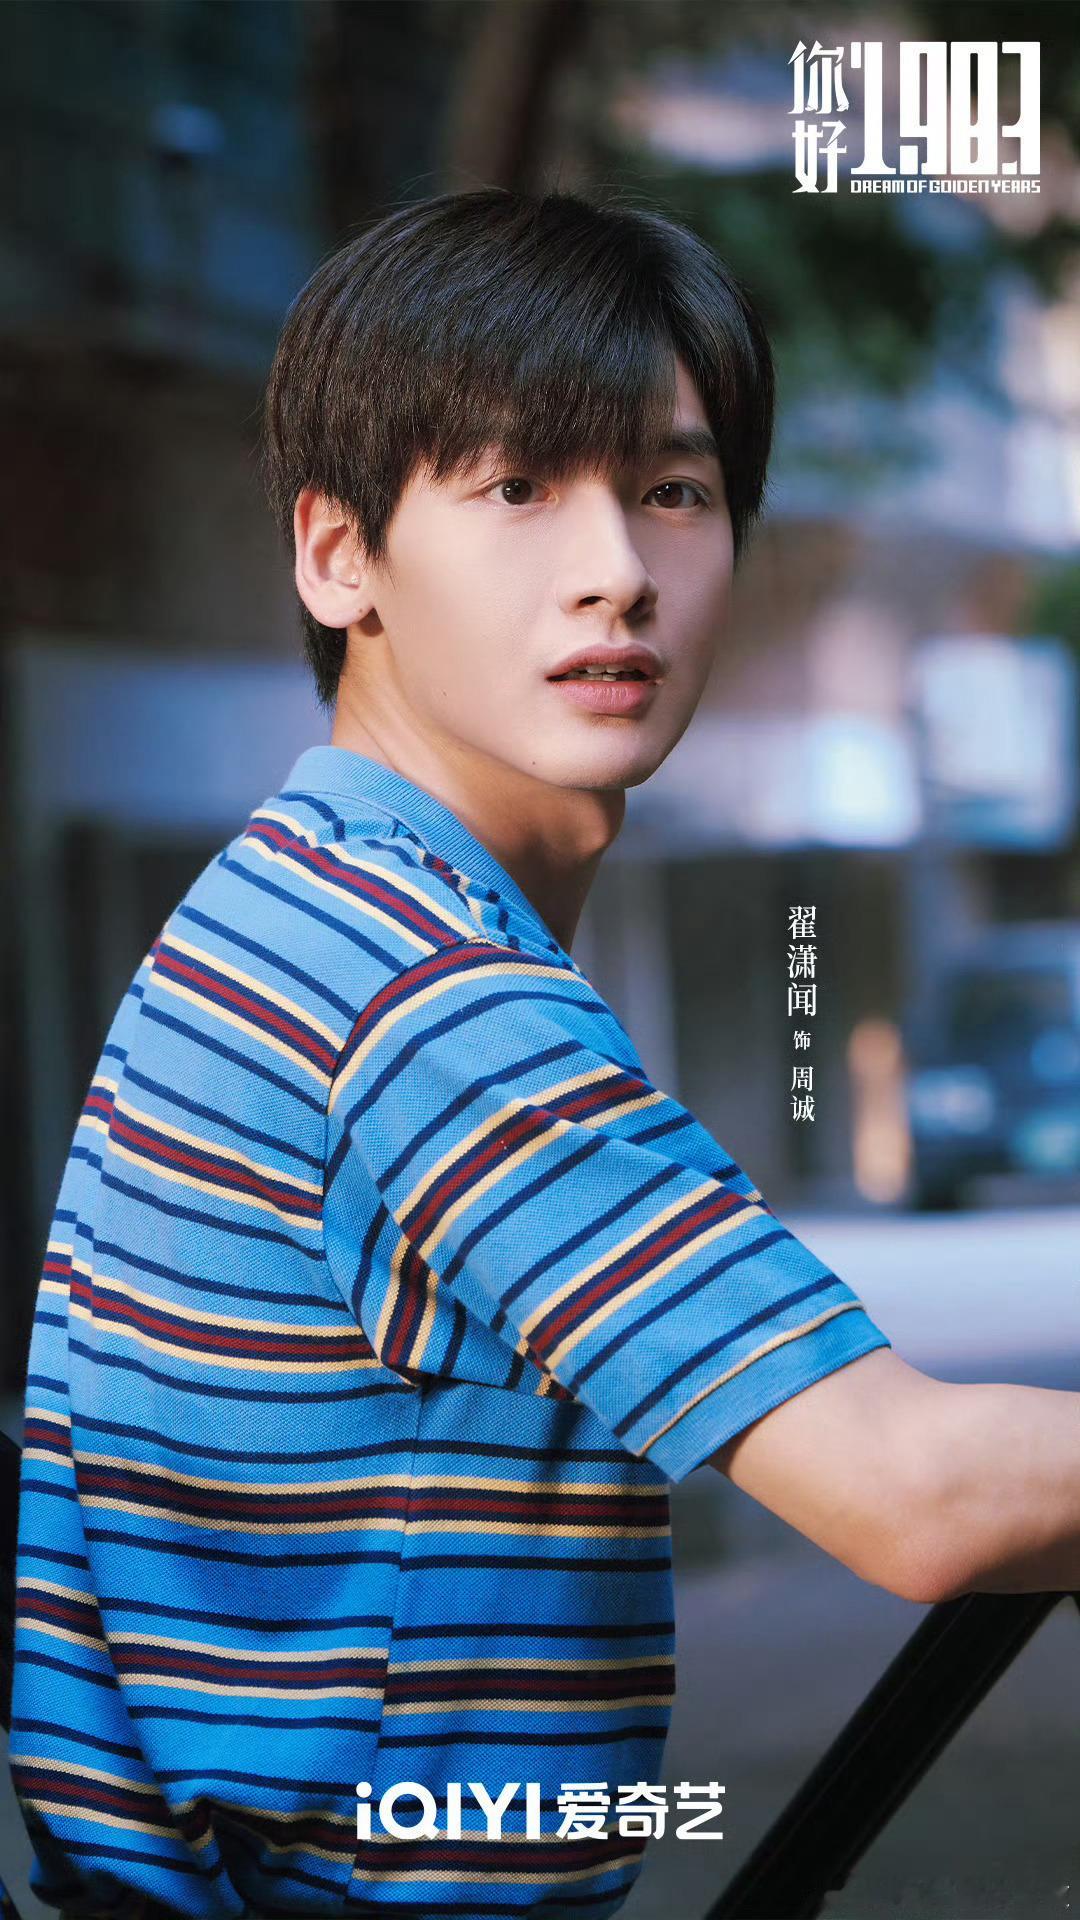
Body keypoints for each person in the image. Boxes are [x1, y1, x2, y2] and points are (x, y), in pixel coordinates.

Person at [6, 186, 1080, 1920]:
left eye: (674, 491)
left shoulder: (297, 892)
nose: (618, 570)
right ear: (338, 553)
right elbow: (918, 1493)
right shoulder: (425, 991)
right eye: (516, 487)